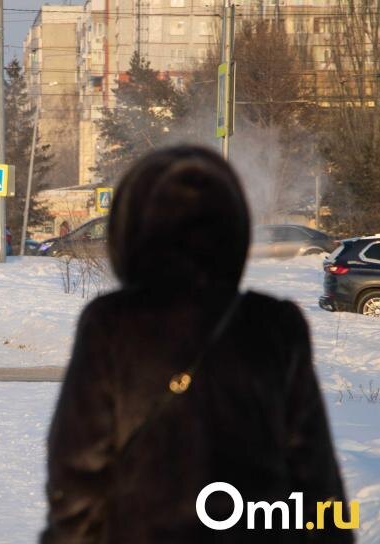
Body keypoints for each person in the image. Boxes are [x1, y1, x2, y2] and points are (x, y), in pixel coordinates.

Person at [42, 146, 352, 543]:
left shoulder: (112, 325)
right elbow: (317, 485)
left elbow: (78, 475)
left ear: (130, 233)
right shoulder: (274, 326)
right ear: (234, 230)